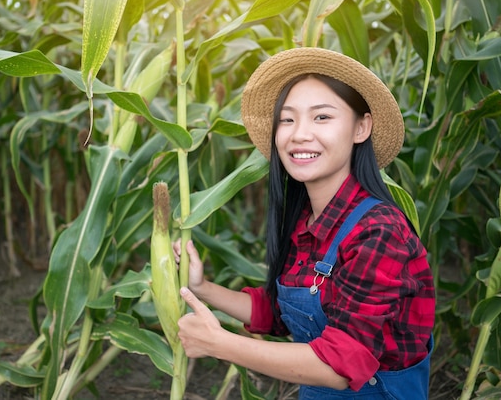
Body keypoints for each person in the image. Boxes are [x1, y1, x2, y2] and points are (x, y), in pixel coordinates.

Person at [173, 47, 435, 399]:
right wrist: (203, 287)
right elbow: (282, 313)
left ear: (361, 127)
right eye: (287, 119)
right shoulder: (307, 221)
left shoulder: (379, 231)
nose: (299, 134)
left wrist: (220, 343)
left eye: (322, 117)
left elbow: (342, 365)